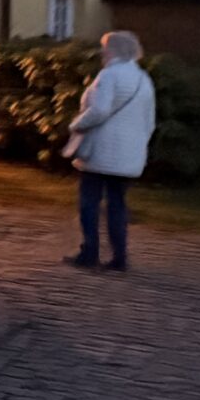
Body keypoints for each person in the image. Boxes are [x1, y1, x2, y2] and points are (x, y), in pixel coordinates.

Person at [66, 30, 158, 273]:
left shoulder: (109, 75)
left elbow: (100, 110)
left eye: (104, 47)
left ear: (112, 50)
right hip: (129, 155)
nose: (102, 51)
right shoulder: (143, 79)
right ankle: (119, 257)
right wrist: (137, 145)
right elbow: (149, 122)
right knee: (117, 204)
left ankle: (89, 253)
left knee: (89, 202)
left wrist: (76, 125)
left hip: (101, 151)